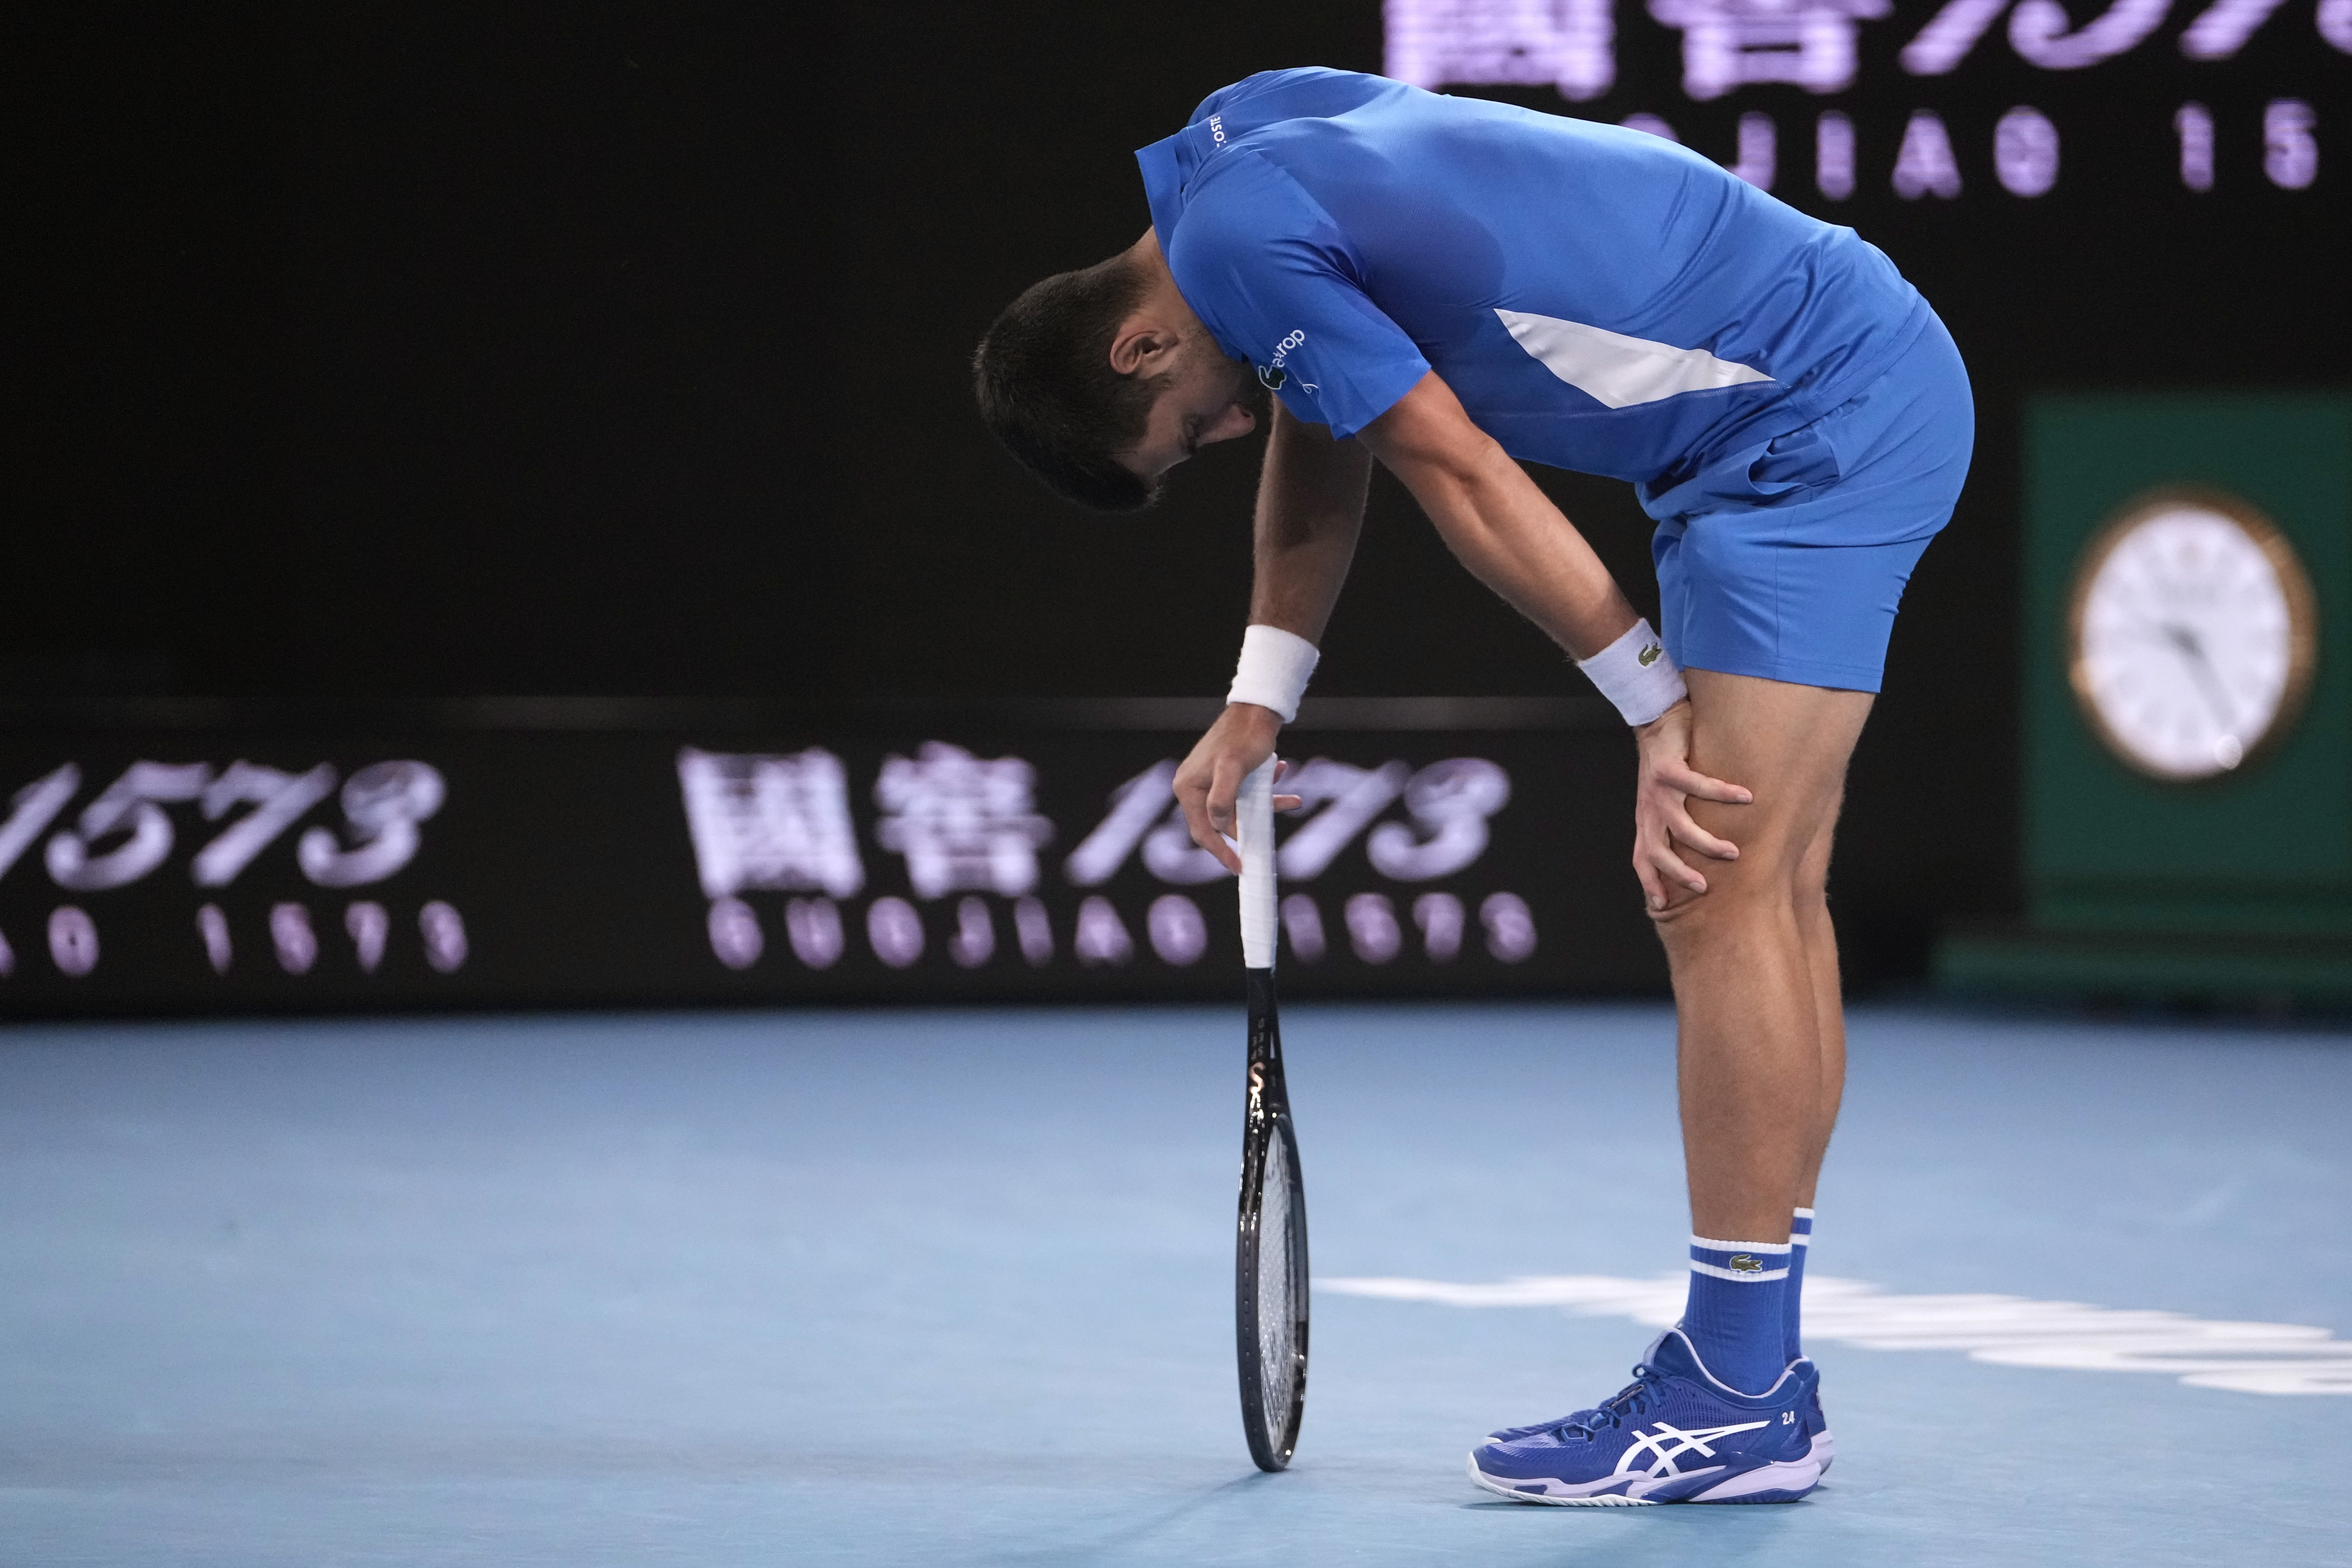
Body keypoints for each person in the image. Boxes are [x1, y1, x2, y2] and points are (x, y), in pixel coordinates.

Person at [972, 66, 1971, 1506]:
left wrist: (1649, 705)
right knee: (1766, 889)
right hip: (1811, 386)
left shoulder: (1240, 254)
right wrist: (1264, 696)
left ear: (1135, 347)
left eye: (1190, 426)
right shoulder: (1229, 154)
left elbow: (1451, 466)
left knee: (1714, 881)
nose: (1230, 430)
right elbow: (1325, 425)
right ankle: (1753, 1372)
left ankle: (1739, 1390)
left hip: (1807, 418)